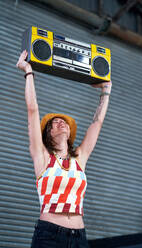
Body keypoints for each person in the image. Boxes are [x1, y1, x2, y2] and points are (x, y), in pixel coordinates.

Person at [16, 50, 112, 248]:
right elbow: (32, 110)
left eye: (64, 123)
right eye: (55, 123)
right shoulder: (42, 156)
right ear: (48, 133)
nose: (61, 124)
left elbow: (97, 123)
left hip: (79, 237)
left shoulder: (79, 159)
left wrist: (106, 91)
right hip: (49, 235)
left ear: (70, 133)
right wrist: (28, 72)